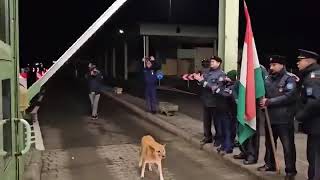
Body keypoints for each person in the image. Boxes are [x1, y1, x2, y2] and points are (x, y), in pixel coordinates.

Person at [258, 55, 297, 179]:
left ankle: (290, 171)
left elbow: (289, 96)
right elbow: (262, 93)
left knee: (288, 146)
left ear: (282, 65)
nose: (271, 67)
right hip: (270, 118)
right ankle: (270, 164)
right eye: (270, 65)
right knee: (269, 144)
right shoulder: (268, 79)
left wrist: (269, 102)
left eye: (274, 65)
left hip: (284, 119)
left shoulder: (289, 79)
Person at [194, 56, 233, 154]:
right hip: (206, 100)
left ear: (219, 63)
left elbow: (215, 87)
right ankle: (207, 137)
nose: (211, 63)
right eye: (210, 61)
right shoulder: (207, 72)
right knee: (206, 121)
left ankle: (218, 139)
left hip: (215, 102)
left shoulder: (221, 75)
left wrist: (202, 81)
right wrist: (199, 80)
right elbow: (203, 83)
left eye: (213, 61)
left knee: (217, 122)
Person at [295, 49, 320, 180]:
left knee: (314, 157)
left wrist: (299, 116)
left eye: (300, 61)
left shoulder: (313, 77)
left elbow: (315, 102)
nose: (297, 63)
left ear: (308, 61)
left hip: (316, 126)